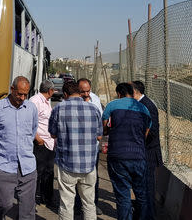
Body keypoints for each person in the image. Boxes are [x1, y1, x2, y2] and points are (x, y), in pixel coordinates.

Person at [0, 76, 38, 220]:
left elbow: (33, 131)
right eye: (19, 93)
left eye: (25, 94)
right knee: (5, 204)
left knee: (27, 211)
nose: (22, 97)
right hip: (4, 166)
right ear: (12, 89)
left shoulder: (31, 108)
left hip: (27, 167)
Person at [48, 81, 102, 220]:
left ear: (65, 94)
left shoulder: (58, 108)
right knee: (89, 204)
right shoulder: (94, 109)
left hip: (67, 164)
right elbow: (99, 136)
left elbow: (52, 134)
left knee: (66, 204)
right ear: (79, 92)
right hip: (89, 165)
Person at [102, 83, 151, 220]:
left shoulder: (112, 105)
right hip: (138, 157)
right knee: (141, 195)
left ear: (119, 94)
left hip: (117, 156)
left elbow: (104, 129)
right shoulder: (144, 109)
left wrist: (112, 130)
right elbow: (145, 133)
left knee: (123, 195)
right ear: (132, 93)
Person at [131, 80, 162, 220]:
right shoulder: (141, 104)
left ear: (135, 92)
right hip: (143, 153)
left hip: (148, 153)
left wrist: (138, 142)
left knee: (148, 189)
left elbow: (153, 132)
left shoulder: (147, 105)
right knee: (141, 188)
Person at [76, 78, 103, 216]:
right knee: (76, 177)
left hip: (92, 147)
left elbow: (100, 121)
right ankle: (77, 205)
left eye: (88, 91)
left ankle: (93, 204)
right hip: (77, 147)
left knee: (93, 177)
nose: (86, 94)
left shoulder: (95, 100)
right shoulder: (72, 102)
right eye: (83, 92)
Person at [29, 80, 56, 209]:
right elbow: (28, 122)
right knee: (38, 172)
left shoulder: (46, 101)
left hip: (50, 143)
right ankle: (32, 199)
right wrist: (37, 139)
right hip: (40, 143)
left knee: (49, 172)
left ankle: (47, 198)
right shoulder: (35, 101)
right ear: (50, 91)